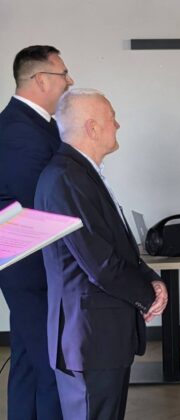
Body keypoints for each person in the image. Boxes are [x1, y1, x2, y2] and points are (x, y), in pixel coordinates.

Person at [34, 89, 169, 420]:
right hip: (89, 338)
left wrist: (151, 279)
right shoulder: (66, 178)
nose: (118, 125)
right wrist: (147, 296)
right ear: (92, 128)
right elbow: (101, 264)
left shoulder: (82, 174)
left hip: (102, 336)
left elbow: (117, 246)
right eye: (112, 118)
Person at [0, 45, 74, 420]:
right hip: (31, 267)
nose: (70, 81)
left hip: (29, 265)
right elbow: (41, 205)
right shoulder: (19, 130)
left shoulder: (36, 124)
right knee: (51, 370)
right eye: (63, 74)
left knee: (28, 363)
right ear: (40, 79)